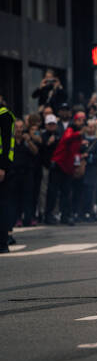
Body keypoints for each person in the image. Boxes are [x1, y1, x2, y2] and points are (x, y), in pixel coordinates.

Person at [48, 111, 86, 225]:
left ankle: (66, 216)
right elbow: (67, 138)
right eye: (79, 119)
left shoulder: (79, 134)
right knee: (53, 192)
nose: (81, 122)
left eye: (83, 120)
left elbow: (74, 151)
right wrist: (79, 134)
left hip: (68, 166)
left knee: (66, 192)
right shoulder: (71, 130)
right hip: (59, 164)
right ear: (75, 120)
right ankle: (49, 214)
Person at [0, 98, 15, 252]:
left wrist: (3, 167)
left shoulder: (4, 115)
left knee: (2, 204)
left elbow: (6, 143)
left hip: (1, 165)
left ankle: (3, 241)